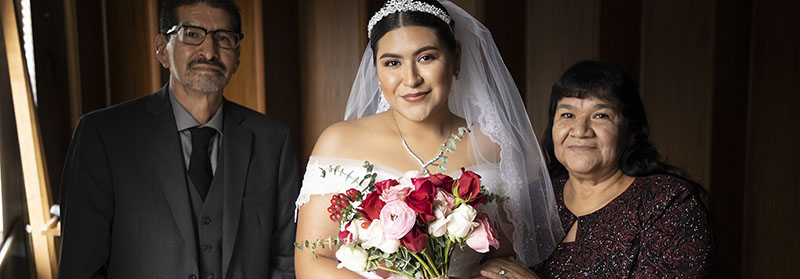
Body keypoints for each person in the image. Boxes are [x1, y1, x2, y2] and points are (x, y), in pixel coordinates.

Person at [294, 0, 563, 278]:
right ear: (376, 69)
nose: (410, 79)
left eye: (426, 58)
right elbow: (312, 261)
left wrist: (500, 269)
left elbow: (508, 253)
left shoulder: (495, 146)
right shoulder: (339, 142)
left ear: (456, 58)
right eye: (392, 63)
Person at [58, 0, 299, 278]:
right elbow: (80, 267)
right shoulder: (103, 135)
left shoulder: (272, 140)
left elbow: (286, 261)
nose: (209, 51)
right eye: (192, 34)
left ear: (237, 55)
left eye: (223, 38)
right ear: (162, 49)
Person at [475, 60, 714, 278]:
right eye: (567, 114)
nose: (580, 130)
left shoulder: (667, 201)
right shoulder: (535, 201)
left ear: (630, 132)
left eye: (601, 115)